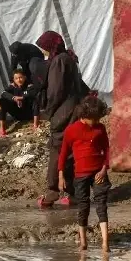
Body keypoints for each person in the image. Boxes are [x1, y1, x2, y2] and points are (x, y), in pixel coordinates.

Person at [36, 31, 88, 208]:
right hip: (74, 109)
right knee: (72, 152)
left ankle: (52, 192)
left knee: (58, 149)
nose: (43, 52)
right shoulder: (68, 58)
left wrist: (48, 111)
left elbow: (56, 91)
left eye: (44, 48)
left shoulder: (59, 61)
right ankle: (74, 193)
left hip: (63, 111)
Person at [58, 96, 110, 252]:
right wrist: (60, 175)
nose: (97, 121)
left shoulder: (100, 128)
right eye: (94, 118)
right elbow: (63, 153)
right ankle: (83, 241)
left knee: (101, 205)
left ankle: (105, 243)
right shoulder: (71, 130)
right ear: (85, 116)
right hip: (80, 174)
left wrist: (104, 169)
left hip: (99, 172)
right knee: (83, 206)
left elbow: (107, 150)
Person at [0, 69, 36, 137]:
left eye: (20, 77)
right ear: (14, 79)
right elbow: (3, 93)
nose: (19, 80)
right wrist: (14, 98)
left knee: (35, 99)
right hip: (17, 113)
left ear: (24, 77)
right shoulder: (13, 86)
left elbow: (32, 93)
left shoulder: (29, 85)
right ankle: (2, 129)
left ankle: (35, 124)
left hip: (28, 113)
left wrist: (21, 98)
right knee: (2, 100)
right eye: (16, 78)